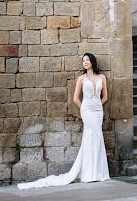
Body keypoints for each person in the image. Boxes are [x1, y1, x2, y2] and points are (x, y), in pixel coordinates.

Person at [18, 53, 110, 189]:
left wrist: (97, 106)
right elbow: (75, 98)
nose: (85, 62)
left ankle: (99, 172)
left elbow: (105, 97)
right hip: (86, 111)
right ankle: (89, 174)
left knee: (98, 137)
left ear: (92, 62)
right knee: (90, 136)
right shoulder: (81, 78)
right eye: (83, 60)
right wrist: (84, 108)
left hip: (98, 111)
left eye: (87, 60)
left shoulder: (102, 77)